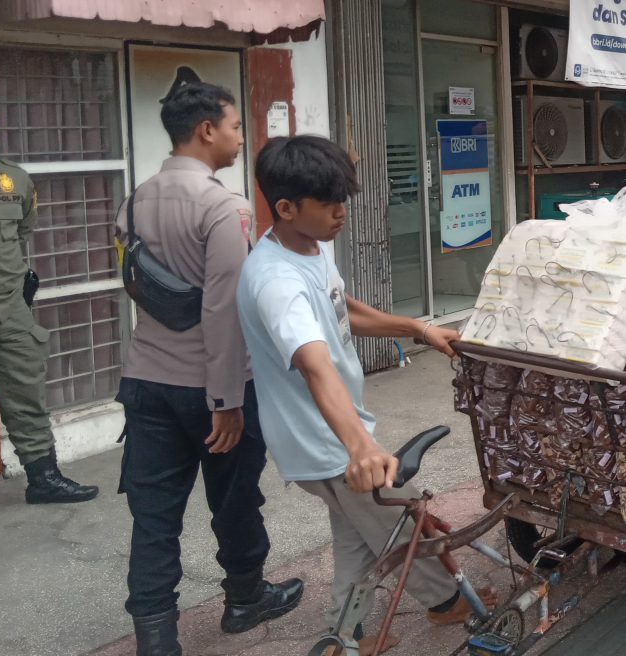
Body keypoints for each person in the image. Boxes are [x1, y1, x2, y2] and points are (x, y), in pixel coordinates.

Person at [237, 135, 495, 649]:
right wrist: (360, 447)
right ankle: (448, 602)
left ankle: (344, 635)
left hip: (337, 434)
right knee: (396, 525)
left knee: (356, 538)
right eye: (329, 202)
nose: (341, 211)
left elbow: (345, 309)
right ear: (285, 208)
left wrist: (419, 330)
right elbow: (314, 366)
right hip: (325, 439)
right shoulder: (274, 282)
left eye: (344, 198)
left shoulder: (310, 246)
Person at [114, 83, 302, 656]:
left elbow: (137, 286)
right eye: (235, 126)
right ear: (206, 131)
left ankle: (156, 637)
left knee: (153, 515)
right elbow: (225, 308)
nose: (241, 137)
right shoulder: (224, 207)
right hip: (210, 387)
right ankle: (245, 600)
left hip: (146, 383)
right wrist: (227, 401)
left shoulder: (136, 199)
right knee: (236, 496)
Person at [0, 100, 99, 532]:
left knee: (27, 396)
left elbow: (23, 231)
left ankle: (43, 478)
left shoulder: (14, 181)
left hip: (9, 308)